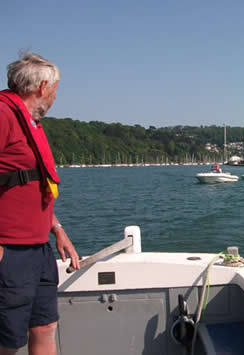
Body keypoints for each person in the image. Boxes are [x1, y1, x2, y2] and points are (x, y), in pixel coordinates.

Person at [0, 53, 80, 355]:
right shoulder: (4, 115)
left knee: (44, 326)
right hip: (11, 252)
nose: (57, 96)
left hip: (38, 249)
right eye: (56, 89)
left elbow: (30, 187)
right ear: (43, 86)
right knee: (8, 341)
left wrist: (57, 229)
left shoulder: (30, 124)